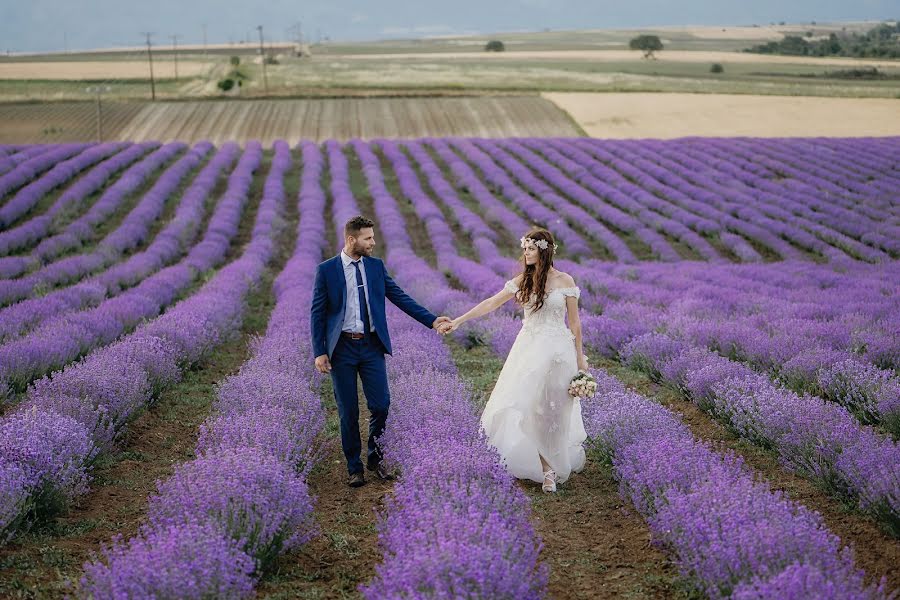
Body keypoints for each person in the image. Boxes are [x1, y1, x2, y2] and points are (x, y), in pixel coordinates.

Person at [440, 228, 588, 492]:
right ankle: (547, 470)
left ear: (544, 250)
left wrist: (580, 361)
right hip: (530, 349)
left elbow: (575, 324)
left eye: (531, 248)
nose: (526, 253)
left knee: (554, 408)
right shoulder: (523, 280)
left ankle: (553, 458)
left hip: (559, 351)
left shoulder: (566, 281)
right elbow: (491, 303)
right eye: (525, 248)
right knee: (528, 404)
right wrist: (459, 321)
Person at [311, 216, 451, 487]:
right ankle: (355, 467)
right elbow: (317, 313)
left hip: (372, 345)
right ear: (352, 240)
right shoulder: (327, 270)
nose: (374, 242)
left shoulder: (375, 267)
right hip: (342, 349)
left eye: (373, 237)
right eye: (368, 238)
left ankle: (376, 458)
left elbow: (400, 296)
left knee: (381, 405)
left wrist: (432, 320)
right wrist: (320, 351)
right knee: (348, 410)